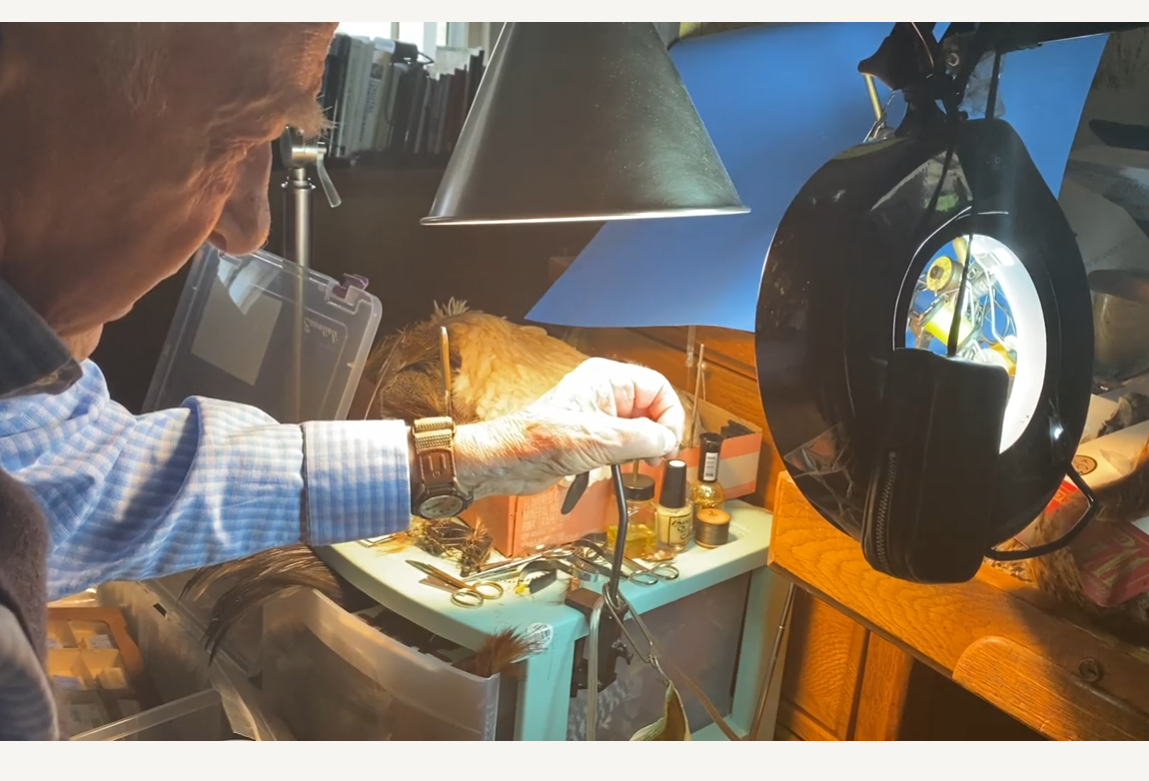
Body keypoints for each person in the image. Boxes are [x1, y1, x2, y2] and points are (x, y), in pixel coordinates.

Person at [0, 22, 685, 740]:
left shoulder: (26, 390)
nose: (248, 226)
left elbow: (99, 478)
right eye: (232, 139)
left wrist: (496, 449)